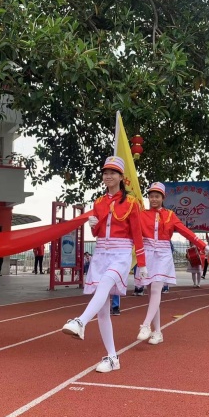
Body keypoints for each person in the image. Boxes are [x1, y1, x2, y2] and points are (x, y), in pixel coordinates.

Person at [61, 156, 147, 373]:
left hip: (121, 252)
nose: (108, 176)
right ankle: (112, 357)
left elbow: (137, 234)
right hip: (100, 253)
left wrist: (142, 264)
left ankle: (81, 321)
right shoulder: (98, 202)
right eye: (105, 173)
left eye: (112, 173)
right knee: (102, 311)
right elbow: (97, 232)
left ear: (121, 177)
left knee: (106, 283)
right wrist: (93, 225)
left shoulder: (132, 202)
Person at [135, 182, 209, 342]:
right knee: (152, 295)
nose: (154, 199)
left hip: (163, 254)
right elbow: (131, 231)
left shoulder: (170, 215)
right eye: (151, 196)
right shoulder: (142, 214)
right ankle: (158, 332)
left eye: (157, 196)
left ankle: (146, 325)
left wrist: (203, 245)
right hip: (147, 254)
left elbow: (186, 231)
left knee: (156, 288)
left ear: (163, 198)